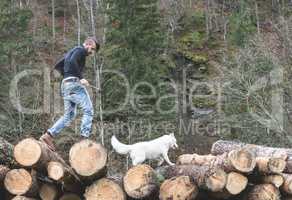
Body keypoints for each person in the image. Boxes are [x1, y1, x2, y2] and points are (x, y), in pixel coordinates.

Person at [40, 37, 100, 151]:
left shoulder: (72, 51)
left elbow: (58, 66)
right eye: (93, 49)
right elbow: (72, 62)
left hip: (65, 85)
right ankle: (84, 138)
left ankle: (48, 135)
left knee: (69, 115)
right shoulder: (80, 50)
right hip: (74, 84)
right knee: (89, 110)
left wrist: (68, 74)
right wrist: (80, 78)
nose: (92, 53)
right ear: (88, 45)